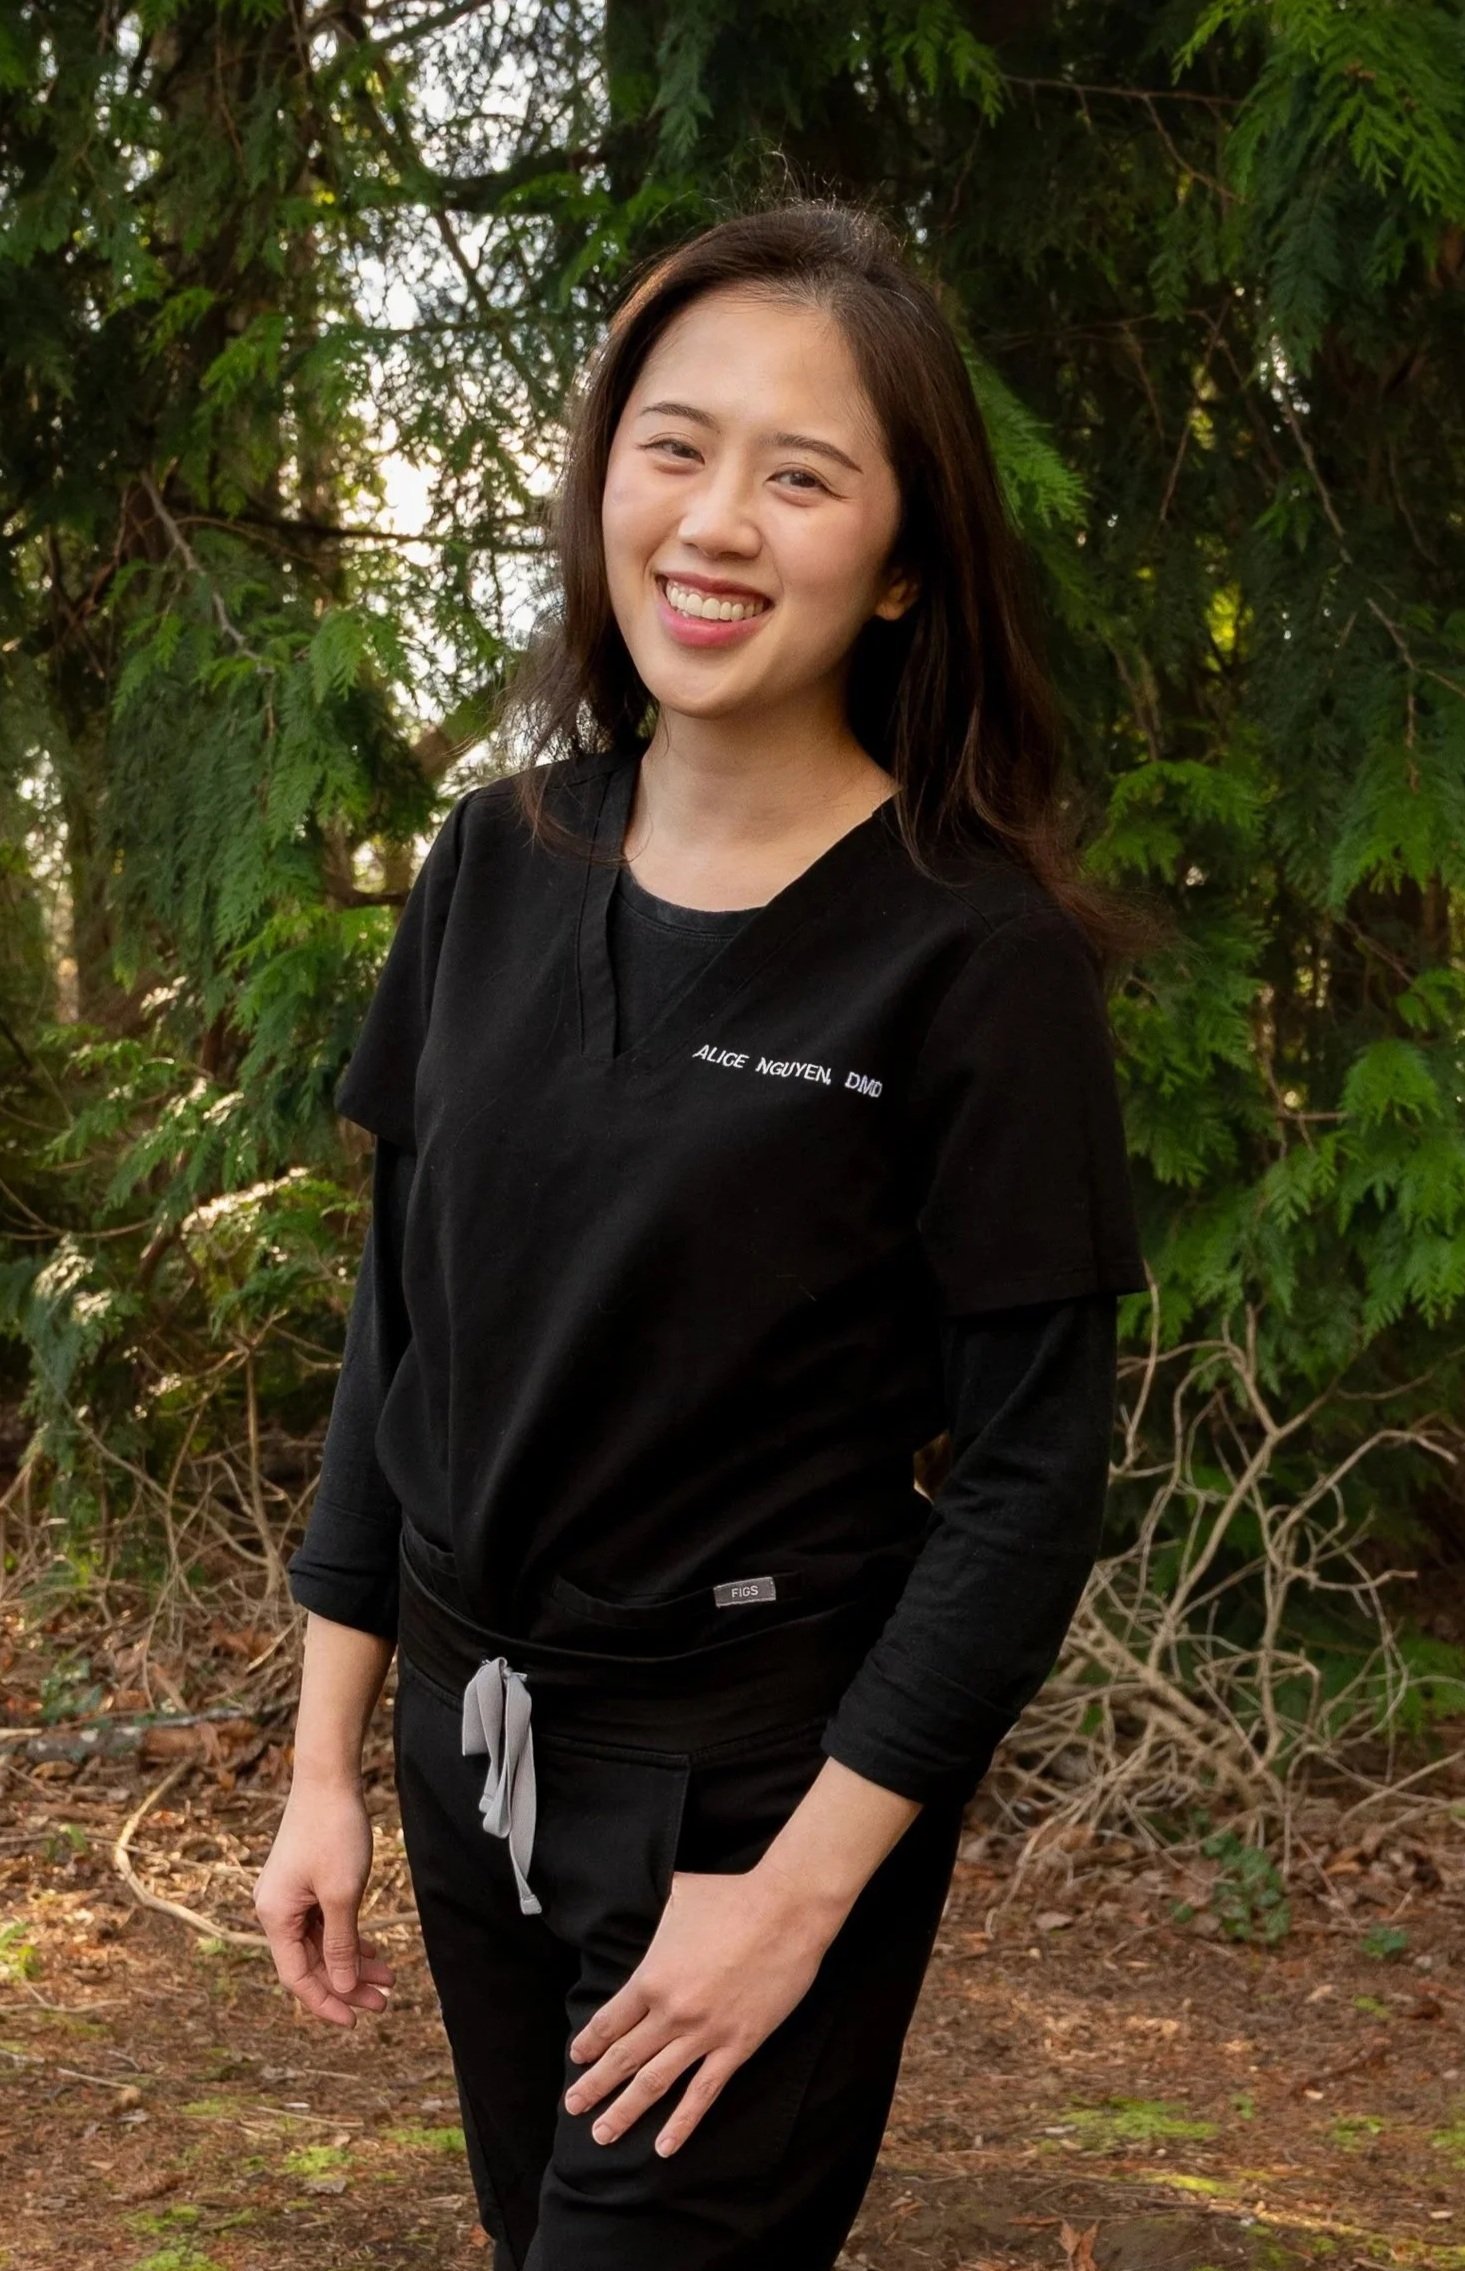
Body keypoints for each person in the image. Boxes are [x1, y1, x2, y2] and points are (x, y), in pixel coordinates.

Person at [253, 197, 1157, 2271]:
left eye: (803, 472)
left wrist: (798, 1895)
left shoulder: (969, 958)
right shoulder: (490, 861)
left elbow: (1027, 1480)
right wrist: (322, 1765)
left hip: (756, 1781)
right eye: (674, 444)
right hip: (472, 1743)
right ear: (603, 485)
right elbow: (401, 1346)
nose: (718, 518)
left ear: (904, 562)